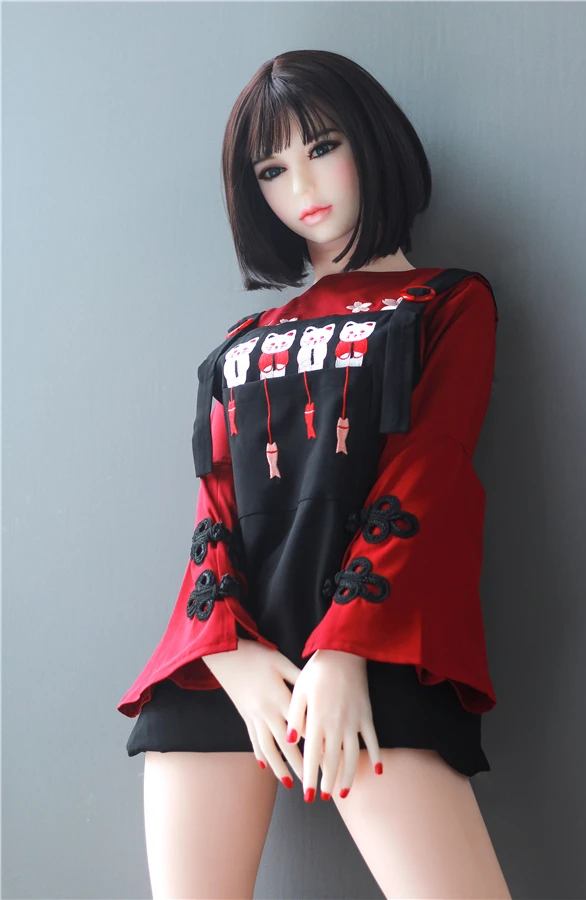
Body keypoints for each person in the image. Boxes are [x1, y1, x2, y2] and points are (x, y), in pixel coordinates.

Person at [117, 49, 512, 900]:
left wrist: (344, 650)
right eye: (272, 169)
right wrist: (225, 651)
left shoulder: (448, 302)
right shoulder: (240, 340)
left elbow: (426, 475)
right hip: (231, 663)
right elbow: (215, 505)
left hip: (375, 648)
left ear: (371, 142)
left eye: (323, 147)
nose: (302, 186)